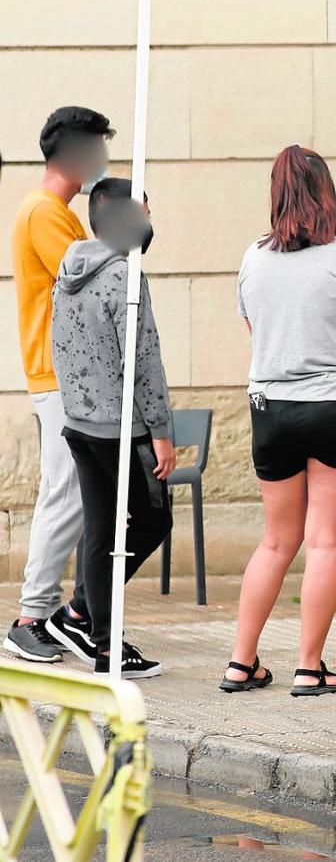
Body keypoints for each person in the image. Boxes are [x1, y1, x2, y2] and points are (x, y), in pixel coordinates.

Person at [221, 146, 336, 697]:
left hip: (271, 410)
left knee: (276, 542)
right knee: (324, 541)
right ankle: (309, 666)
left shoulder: (254, 258)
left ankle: (239, 663)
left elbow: (258, 330)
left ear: (275, 194)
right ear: (327, 191)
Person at [47, 179, 171, 679]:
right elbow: (144, 359)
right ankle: (99, 635)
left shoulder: (69, 268)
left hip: (81, 423)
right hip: (123, 430)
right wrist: (160, 429)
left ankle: (84, 620)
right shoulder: (125, 275)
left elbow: (58, 341)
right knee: (151, 522)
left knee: (101, 531)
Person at [6, 106, 113, 663]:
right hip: (60, 377)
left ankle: (59, 613)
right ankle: (31, 616)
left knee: (75, 493)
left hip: (70, 377)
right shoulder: (45, 212)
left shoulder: (55, 210)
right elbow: (85, 275)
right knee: (66, 493)